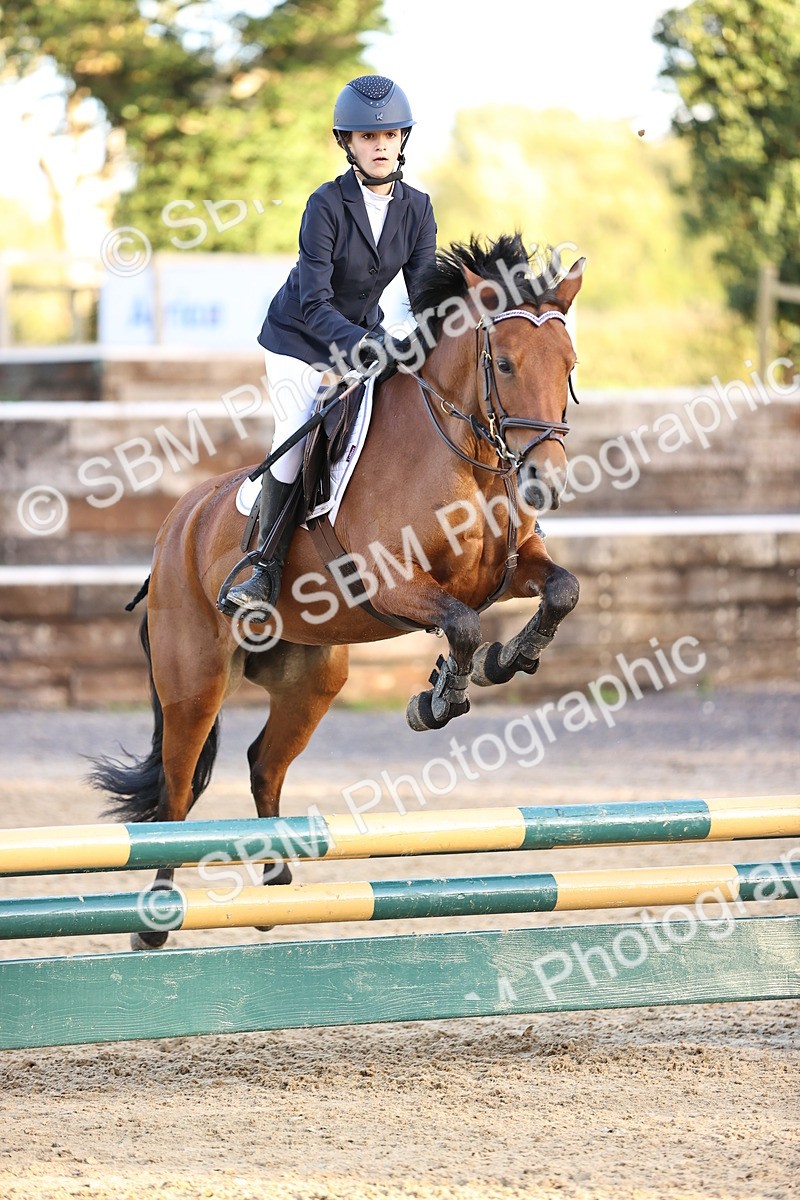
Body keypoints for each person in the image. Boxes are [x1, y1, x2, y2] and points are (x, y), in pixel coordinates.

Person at [224, 75, 437, 615]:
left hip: (362, 335)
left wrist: (438, 339)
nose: (381, 145)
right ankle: (264, 570)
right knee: (296, 440)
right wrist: (371, 345)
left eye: (389, 134)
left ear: (403, 139)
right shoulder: (325, 204)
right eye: (368, 137)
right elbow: (316, 303)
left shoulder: (418, 208)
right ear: (348, 143)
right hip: (299, 336)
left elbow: (425, 296)